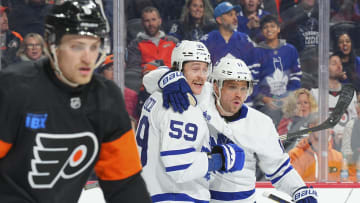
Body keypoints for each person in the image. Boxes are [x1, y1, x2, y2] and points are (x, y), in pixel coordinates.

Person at [0, 1, 151, 202]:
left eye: (94, 46)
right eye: (77, 46)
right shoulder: (15, 89)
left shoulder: (106, 99)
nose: (87, 58)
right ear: (52, 45)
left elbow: (125, 183)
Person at [143, 57, 318, 202]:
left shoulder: (261, 124)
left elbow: (279, 169)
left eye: (243, 88)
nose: (239, 94)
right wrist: (168, 79)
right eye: (232, 87)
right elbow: (149, 79)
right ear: (217, 87)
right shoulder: (199, 100)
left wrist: (299, 191)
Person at [136, 40, 246, 202]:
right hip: (174, 196)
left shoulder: (161, 93)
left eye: (205, 69)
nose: (202, 76)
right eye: (195, 69)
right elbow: (180, 167)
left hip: (151, 192)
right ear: (179, 69)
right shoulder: (181, 105)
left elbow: (150, 79)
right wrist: (221, 159)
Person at [251, 14, 302, 126]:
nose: (269, 29)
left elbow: (296, 76)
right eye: (265, 27)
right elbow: (251, 81)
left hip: (289, 99)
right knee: (272, 116)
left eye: (272, 26)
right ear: (262, 31)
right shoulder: (256, 52)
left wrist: (289, 96)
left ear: (278, 29)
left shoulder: (290, 49)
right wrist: (265, 98)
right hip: (264, 103)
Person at [126, 6, 178, 96]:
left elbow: (181, 64)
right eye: (147, 21)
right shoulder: (136, 44)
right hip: (147, 88)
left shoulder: (173, 41)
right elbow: (134, 69)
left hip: (172, 83)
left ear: (159, 21)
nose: (151, 24)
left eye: (153, 20)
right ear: (142, 23)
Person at [289, 113, 344, 182]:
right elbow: (293, 184)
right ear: (311, 127)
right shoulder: (295, 155)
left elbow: (347, 184)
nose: (326, 130)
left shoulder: (338, 157)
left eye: (329, 126)